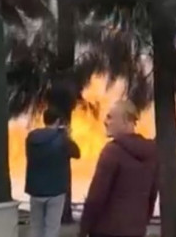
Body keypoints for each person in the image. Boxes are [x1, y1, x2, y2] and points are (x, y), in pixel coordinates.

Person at [78, 101, 158, 237]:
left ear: (126, 121)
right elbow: (152, 195)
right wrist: (142, 224)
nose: (105, 121)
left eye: (110, 117)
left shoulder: (112, 151)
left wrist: (83, 230)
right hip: (135, 231)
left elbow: (96, 197)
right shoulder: (152, 152)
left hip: (106, 231)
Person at [25, 107, 81, 237]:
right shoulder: (62, 139)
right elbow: (77, 153)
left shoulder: (31, 138)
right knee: (52, 228)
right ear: (57, 121)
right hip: (56, 190)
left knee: (36, 228)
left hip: (35, 190)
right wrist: (67, 135)